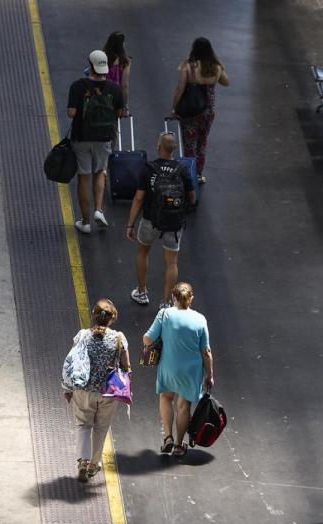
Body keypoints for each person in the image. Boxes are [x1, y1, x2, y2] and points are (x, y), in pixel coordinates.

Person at [62, 299, 131, 482]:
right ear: (113, 317)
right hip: (108, 392)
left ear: (93, 315)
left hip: (83, 391)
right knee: (101, 427)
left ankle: (83, 461)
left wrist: (67, 388)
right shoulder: (119, 338)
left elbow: (71, 363)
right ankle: (94, 464)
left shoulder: (82, 336)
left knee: (84, 425)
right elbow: (126, 366)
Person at [143, 282, 213, 457]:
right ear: (191, 299)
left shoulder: (164, 314)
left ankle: (167, 436)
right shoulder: (200, 319)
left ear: (173, 297)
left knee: (166, 398)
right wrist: (210, 375)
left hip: (168, 367)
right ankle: (179, 445)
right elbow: (206, 351)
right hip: (191, 371)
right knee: (184, 406)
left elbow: (147, 339)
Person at [125, 132, 195, 307]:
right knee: (172, 262)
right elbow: (192, 197)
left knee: (143, 252)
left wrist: (130, 224)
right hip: (174, 223)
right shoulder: (183, 169)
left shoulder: (149, 168)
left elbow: (139, 198)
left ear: (159, 147)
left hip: (150, 220)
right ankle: (165, 303)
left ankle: (141, 292)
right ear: (174, 149)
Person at [67, 50, 127, 234]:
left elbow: (71, 113)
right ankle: (99, 210)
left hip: (82, 137)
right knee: (100, 171)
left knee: (83, 177)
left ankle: (85, 222)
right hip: (104, 137)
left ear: (90, 65)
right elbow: (120, 113)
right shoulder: (114, 88)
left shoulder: (78, 86)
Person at [171, 37, 229, 186]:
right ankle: (198, 174)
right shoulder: (215, 67)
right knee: (202, 143)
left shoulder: (189, 66)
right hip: (208, 112)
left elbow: (180, 88)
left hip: (191, 111)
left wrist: (174, 107)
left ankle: (189, 174)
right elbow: (225, 82)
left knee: (189, 144)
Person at [102, 31, 131, 104]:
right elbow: (124, 85)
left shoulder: (102, 56)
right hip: (115, 97)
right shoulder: (124, 61)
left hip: (101, 95)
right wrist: (125, 106)